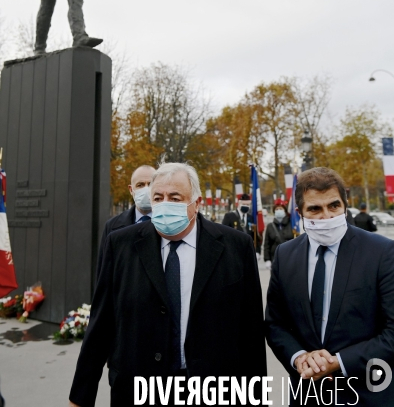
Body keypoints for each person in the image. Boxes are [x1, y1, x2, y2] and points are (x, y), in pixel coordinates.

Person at [69, 162, 266, 407]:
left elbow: (252, 334)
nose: (164, 205)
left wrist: (257, 398)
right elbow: (100, 325)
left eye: (175, 198)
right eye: (158, 198)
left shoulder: (236, 247)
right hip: (138, 388)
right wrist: (80, 397)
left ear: (197, 203)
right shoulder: (120, 245)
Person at [266, 167, 394, 406]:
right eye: (315, 208)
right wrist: (299, 357)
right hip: (308, 395)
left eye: (334, 206)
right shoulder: (286, 255)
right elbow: (276, 324)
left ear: (345, 205)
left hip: (367, 393)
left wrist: (340, 362)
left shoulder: (382, 252)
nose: (326, 216)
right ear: (299, 213)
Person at [96, 164, 156, 279]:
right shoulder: (113, 226)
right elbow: (104, 274)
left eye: (151, 184)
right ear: (131, 189)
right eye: (140, 185)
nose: (146, 189)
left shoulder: (169, 223)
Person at [263, 199, 293, 270]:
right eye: (277, 209)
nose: (279, 210)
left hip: (290, 259)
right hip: (275, 260)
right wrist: (267, 259)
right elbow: (267, 244)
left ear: (285, 211)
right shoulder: (270, 226)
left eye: (281, 209)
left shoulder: (291, 224)